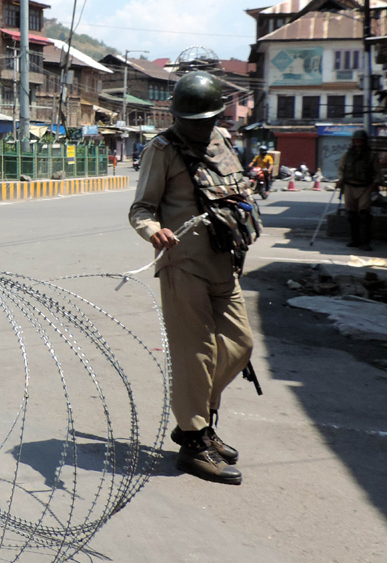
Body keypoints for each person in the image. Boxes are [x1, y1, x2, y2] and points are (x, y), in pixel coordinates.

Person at [129, 71, 262, 485]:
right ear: (178, 116)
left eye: (207, 119)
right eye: (193, 120)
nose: (201, 127)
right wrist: (154, 231)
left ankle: (195, 420)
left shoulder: (221, 141)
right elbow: (141, 209)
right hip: (183, 264)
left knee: (240, 345)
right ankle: (194, 440)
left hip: (224, 261)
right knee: (196, 353)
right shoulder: (162, 150)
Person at [336, 129, 380, 251]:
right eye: (356, 141)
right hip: (349, 186)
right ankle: (354, 240)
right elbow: (341, 169)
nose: (358, 144)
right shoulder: (347, 155)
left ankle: (364, 242)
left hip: (365, 187)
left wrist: (376, 183)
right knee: (351, 215)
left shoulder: (371, 155)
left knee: (364, 215)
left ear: (365, 142)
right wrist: (340, 179)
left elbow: (377, 171)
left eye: (360, 141)